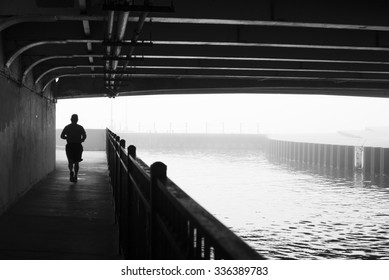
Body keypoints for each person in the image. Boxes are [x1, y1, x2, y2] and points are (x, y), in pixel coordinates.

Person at [60, 114, 87, 182]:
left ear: (71, 119)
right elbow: (84, 135)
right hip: (78, 146)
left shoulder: (67, 127)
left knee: (70, 161)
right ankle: (76, 176)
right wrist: (82, 140)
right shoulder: (80, 127)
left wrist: (68, 137)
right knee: (77, 162)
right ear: (77, 120)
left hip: (69, 145)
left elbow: (62, 136)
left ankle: (71, 171)